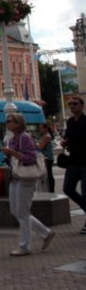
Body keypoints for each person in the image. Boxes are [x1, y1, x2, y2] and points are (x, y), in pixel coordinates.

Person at [2, 112, 55, 256]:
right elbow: (13, 160)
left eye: (10, 121)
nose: (8, 123)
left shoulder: (24, 137)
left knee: (23, 213)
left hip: (26, 178)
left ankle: (24, 246)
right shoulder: (12, 139)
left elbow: (30, 158)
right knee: (16, 211)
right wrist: (8, 155)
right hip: (15, 177)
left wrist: (12, 152)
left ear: (19, 123)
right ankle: (45, 233)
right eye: (7, 121)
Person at [62, 95, 86, 235]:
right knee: (67, 189)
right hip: (73, 162)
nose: (72, 106)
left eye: (75, 104)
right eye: (70, 104)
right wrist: (65, 143)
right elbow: (68, 138)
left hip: (85, 163)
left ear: (82, 106)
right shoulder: (70, 122)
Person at [36, 123, 55, 193]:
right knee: (47, 175)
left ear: (46, 128)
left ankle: (51, 190)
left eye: (41, 128)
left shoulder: (47, 136)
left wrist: (35, 144)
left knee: (49, 174)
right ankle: (49, 189)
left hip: (48, 158)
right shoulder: (44, 136)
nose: (40, 129)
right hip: (45, 157)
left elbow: (40, 146)